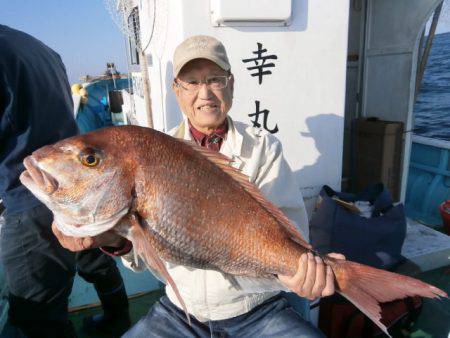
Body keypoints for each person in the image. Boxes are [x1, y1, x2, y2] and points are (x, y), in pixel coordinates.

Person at [53, 35, 344, 337]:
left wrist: (302, 273)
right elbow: (140, 260)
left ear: (231, 84)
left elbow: (291, 234)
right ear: (177, 91)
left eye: (215, 79)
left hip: (256, 309)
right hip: (181, 311)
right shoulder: (155, 154)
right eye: (191, 82)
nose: (204, 93)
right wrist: (113, 240)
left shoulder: (263, 148)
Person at [0, 25, 130, 337]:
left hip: (27, 193)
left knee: (37, 312)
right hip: (80, 190)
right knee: (96, 260)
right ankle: (118, 318)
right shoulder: (39, 46)